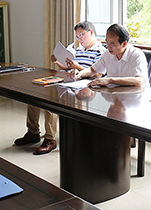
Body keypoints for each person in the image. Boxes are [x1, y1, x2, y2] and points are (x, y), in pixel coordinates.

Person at [14, 21, 105, 155]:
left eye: (81, 35)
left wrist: (76, 67)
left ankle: (50, 139)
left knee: (50, 100)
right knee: (35, 94)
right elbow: (69, 68)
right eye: (77, 36)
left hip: (85, 87)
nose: (79, 39)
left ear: (91, 32)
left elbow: (97, 74)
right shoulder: (79, 50)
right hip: (71, 82)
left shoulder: (100, 50)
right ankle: (33, 132)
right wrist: (58, 62)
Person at [73, 23, 149, 88]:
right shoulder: (108, 54)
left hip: (136, 96)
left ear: (124, 44)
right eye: (107, 42)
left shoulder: (136, 55)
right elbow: (92, 70)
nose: (108, 46)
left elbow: (138, 81)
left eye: (112, 43)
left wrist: (110, 80)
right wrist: (80, 74)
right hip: (115, 94)